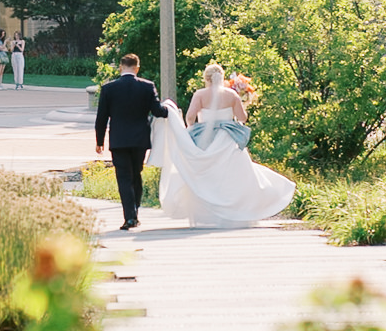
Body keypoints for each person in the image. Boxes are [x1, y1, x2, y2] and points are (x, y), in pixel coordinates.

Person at [153, 62, 295, 228]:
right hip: (228, 138)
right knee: (234, 177)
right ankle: (236, 211)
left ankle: (210, 211)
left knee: (207, 176)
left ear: (206, 78)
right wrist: (244, 105)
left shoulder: (200, 95)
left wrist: (195, 128)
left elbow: (190, 117)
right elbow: (242, 118)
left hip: (206, 140)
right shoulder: (232, 95)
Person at [94, 53, 168, 231]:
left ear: (121, 67)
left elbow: (101, 117)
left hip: (119, 139)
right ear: (137, 67)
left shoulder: (108, 88)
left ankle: (130, 217)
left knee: (124, 178)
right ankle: (135, 212)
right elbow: (157, 111)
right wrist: (170, 109)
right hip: (139, 139)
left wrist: (99, 140)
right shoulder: (147, 87)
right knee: (136, 175)